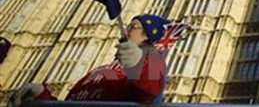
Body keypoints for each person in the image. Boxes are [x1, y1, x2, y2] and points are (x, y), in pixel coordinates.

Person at [11, 14, 169, 105]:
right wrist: (42, 97)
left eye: (133, 27)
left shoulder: (153, 64)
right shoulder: (99, 70)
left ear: (149, 37)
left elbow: (150, 93)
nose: (125, 32)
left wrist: (139, 63)